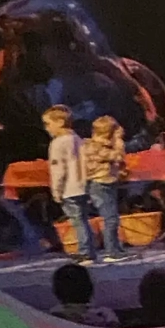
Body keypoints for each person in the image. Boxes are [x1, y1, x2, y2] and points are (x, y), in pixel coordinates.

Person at [42, 106, 93, 255]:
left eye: (48, 124)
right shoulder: (78, 139)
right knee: (83, 220)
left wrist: (56, 191)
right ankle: (89, 249)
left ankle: (85, 252)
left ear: (60, 122)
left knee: (77, 221)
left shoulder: (57, 143)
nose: (46, 128)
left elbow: (58, 170)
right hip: (83, 186)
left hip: (68, 189)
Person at [82, 113, 128, 259]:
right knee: (110, 219)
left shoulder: (105, 145)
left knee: (113, 217)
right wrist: (119, 140)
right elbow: (117, 156)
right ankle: (111, 252)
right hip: (99, 185)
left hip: (108, 182)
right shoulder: (92, 146)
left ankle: (117, 247)